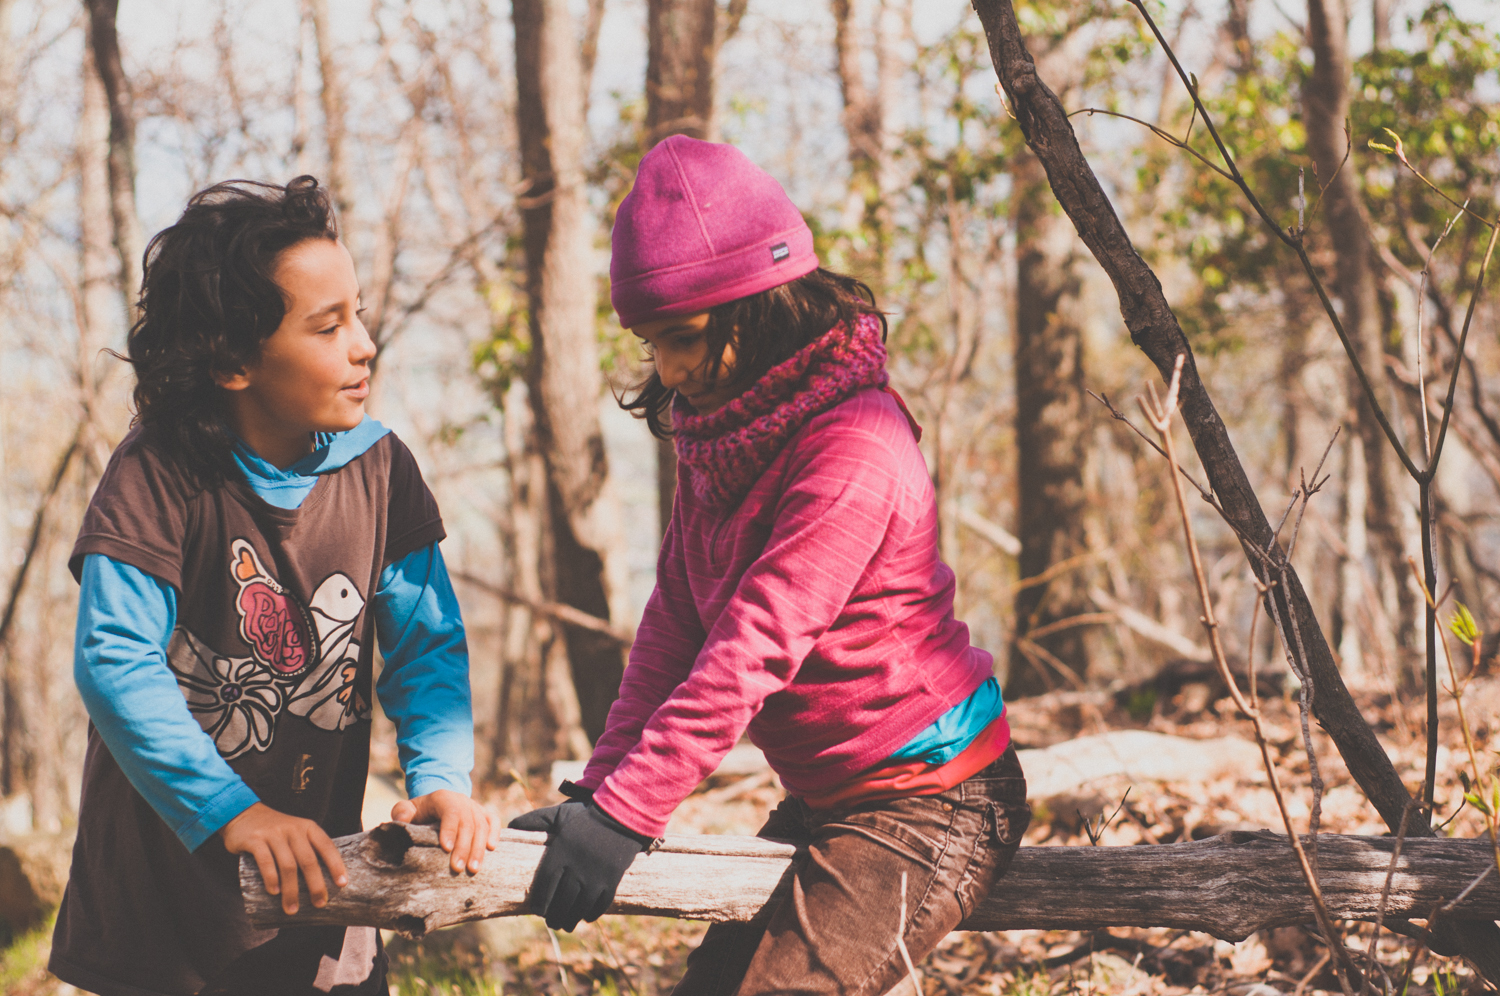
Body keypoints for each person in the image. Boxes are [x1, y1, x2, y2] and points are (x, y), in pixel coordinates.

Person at [509, 135, 1030, 996]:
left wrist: (629, 813)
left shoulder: (857, 443)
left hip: (933, 802)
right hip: (832, 799)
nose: (669, 370)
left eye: (684, 336)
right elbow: (675, 620)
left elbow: (754, 645)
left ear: (762, 305)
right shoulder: (717, 432)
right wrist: (599, 794)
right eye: (651, 341)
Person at [50, 176, 497, 996]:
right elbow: (114, 658)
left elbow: (426, 649)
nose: (364, 344)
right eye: (328, 327)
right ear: (230, 360)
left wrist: (439, 781)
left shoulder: (382, 470)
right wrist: (232, 813)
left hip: (323, 892)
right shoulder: (159, 471)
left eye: (358, 313)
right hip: (162, 918)